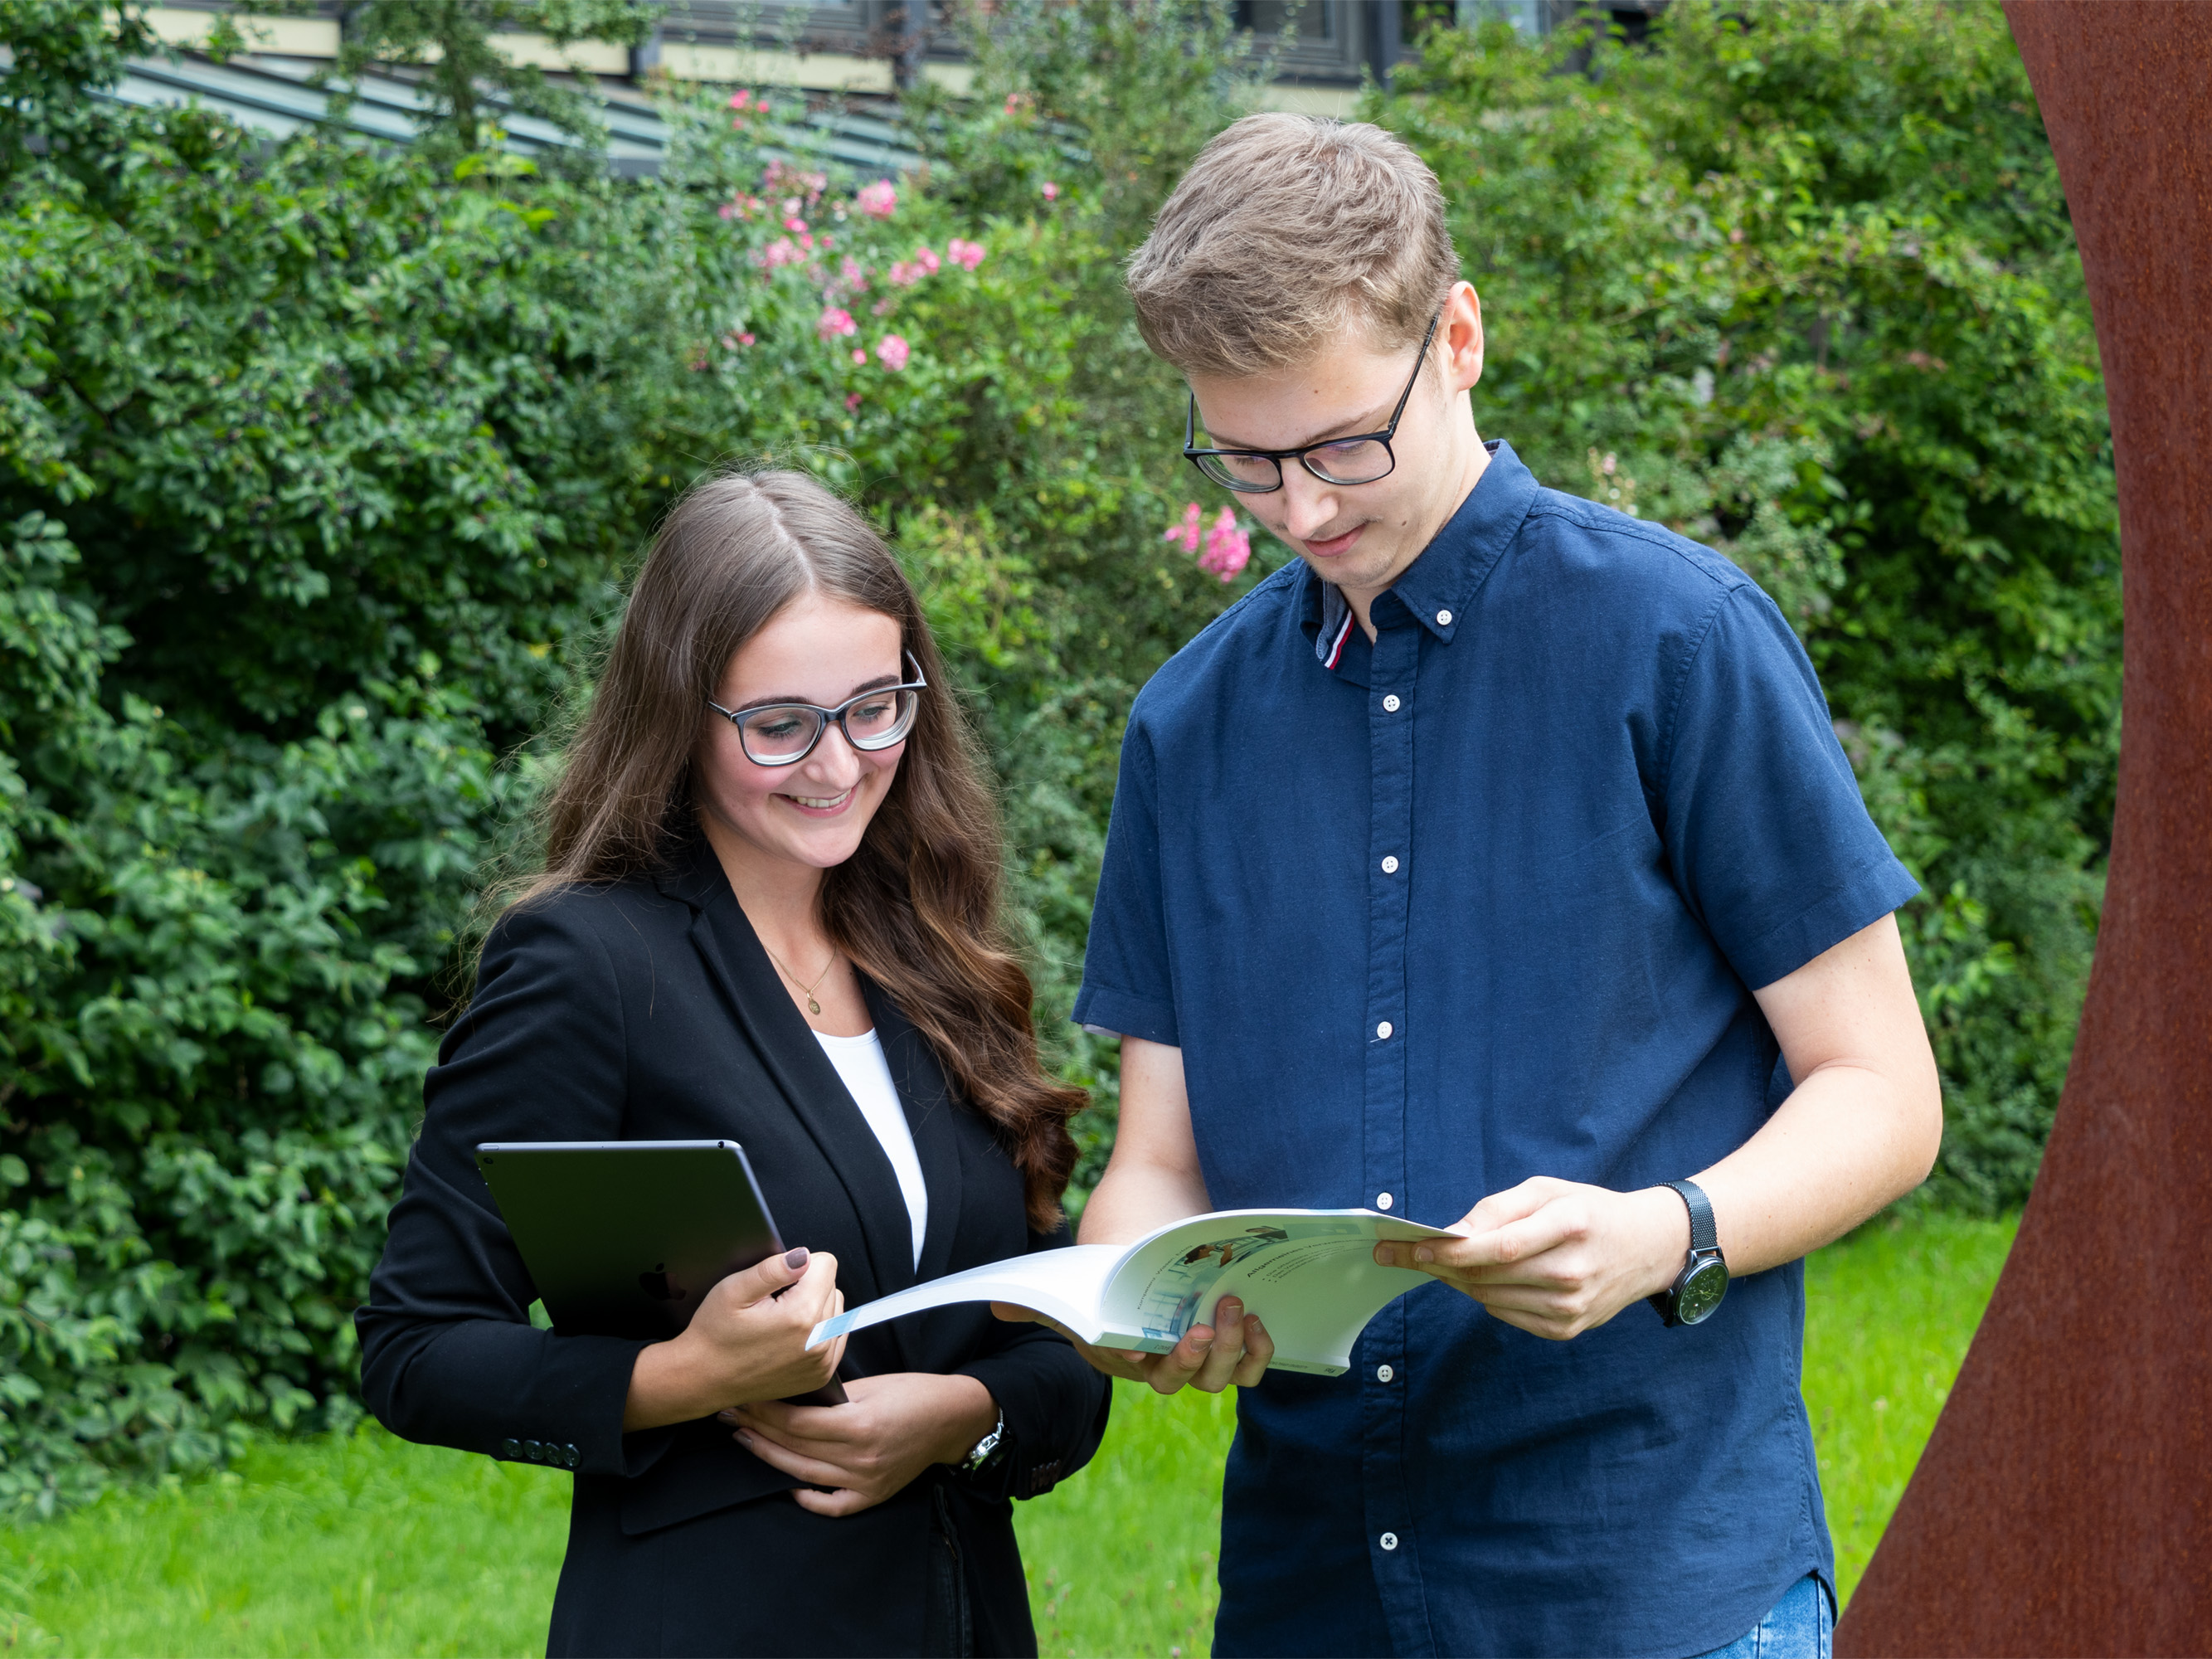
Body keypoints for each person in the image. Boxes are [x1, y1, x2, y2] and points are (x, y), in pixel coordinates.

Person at [1040, 115, 1943, 1658]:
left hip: (1651, 1580)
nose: (1306, 513)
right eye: (1247, 463)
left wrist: (1667, 1233)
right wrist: (1147, 1298)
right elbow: (1156, 1162)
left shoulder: (1681, 641)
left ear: (1456, 337)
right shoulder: (1187, 730)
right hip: (1311, 1590)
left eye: (1340, 447)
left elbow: (1885, 1091)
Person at [357, 469, 1111, 1658]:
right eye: (779, 725)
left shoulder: (944, 959)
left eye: (876, 706)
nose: (837, 764)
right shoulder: (587, 964)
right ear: (678, 714)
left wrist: (959, 1415)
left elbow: (1051, 1360)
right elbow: (414, 1349)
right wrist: (678, 1377)